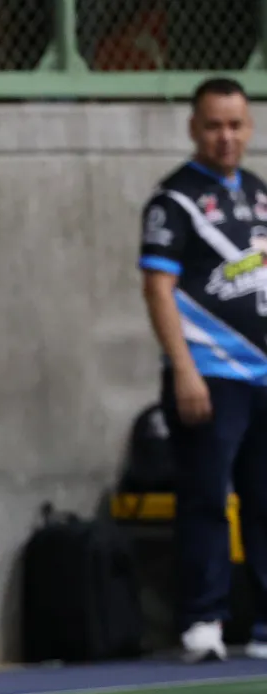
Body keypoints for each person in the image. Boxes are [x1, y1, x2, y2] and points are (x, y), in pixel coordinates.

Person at [139, 76, 267, 663]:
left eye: (235, 125)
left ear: (250, 127)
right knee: (206, 497)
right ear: (194, 128)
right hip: (210, 375)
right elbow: (158, 289)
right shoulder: (174, 200)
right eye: (214, 126)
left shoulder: (259, 195)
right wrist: (184, 369)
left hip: (262, 376)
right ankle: (203, 619)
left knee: (264, 499)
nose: (226, 137)